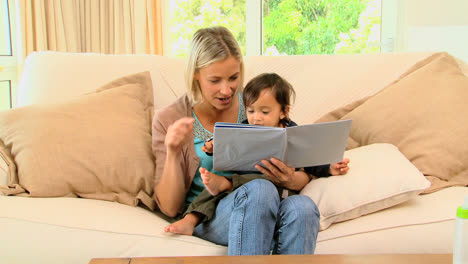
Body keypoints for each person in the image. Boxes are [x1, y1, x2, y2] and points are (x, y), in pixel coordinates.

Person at [153, 26, 324, 255]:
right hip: (213, 213)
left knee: (303, 207)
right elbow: (169, 206)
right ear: (196, 73)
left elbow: (301, 161)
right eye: (215, 80)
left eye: (233, 78)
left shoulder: (257, 105)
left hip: (271, 201)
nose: (227, 90)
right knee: (260, 190)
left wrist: (291, 179)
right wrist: (172, 151)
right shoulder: (169, 118)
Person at [164, 72, 350, 237]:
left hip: (279, 190)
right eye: (251, 111)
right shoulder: (245, 128)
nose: (256, 118)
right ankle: (190, 219)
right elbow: (228, 148)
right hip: (243, 191)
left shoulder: (292, 133)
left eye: (265, 112)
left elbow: (310, 161)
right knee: (214, 188)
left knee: (229, 184)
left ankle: (226, 185)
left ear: (283, 111)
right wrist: (214, 147)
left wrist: (329, 167)